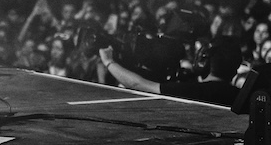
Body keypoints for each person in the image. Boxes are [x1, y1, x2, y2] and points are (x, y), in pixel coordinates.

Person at [98, 36, 243, 107]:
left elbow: (137, 84)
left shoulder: (192, 91)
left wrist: (109, 62)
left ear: (203, 61)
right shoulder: (241, 96)